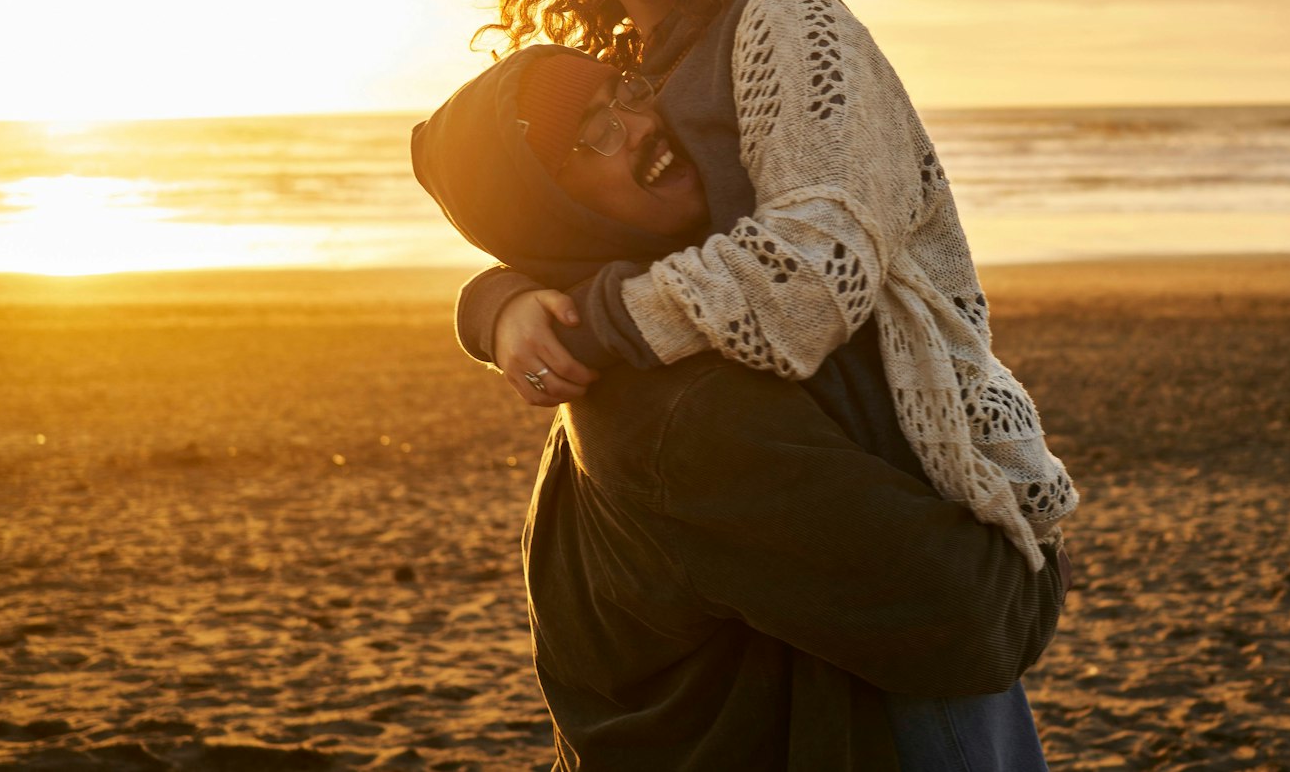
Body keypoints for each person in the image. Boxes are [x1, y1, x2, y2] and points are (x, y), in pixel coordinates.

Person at [433, 0, 1078, 764]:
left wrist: (587, 319)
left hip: (906, 462)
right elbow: (580, 224)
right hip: (815, 499)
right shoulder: (653, 65)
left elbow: (813, 269)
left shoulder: (776, 13)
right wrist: (499, 297)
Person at [412, 48, 1069, 769]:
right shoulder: (683, 408)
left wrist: (491, 299)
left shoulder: (666, 323)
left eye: (626, 90)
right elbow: (972, 621)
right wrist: (1039, 547)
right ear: (548, 211)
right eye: (591, 133)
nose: (639, 124)